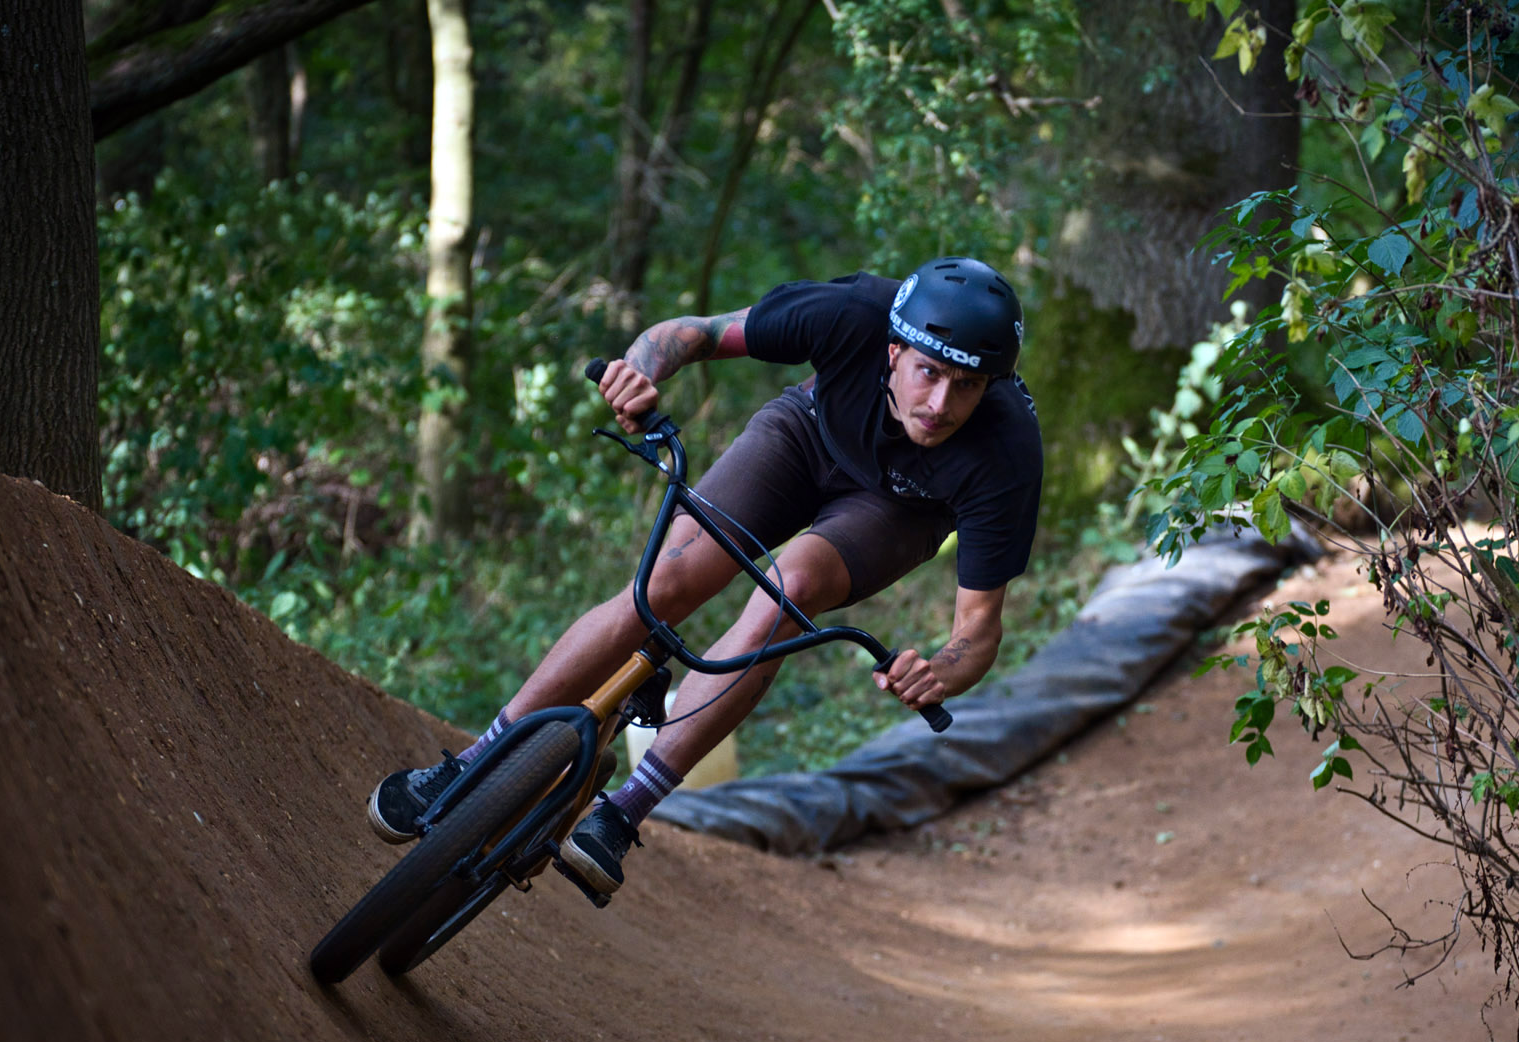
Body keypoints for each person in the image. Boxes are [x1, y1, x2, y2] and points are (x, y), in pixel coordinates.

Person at [366, 256, 1042, 904]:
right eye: (927, 372)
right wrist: (638, 372)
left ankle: (625, 810)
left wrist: (942, 673)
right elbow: (689, 335)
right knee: (668, 584)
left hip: (899, 507)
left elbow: (977, 632)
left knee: (793, 587)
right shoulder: (853, 312)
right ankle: (473, 761)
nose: (940, 402)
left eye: (968, 386)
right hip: (805, 438)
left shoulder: (1004, 449)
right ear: (893, 350)